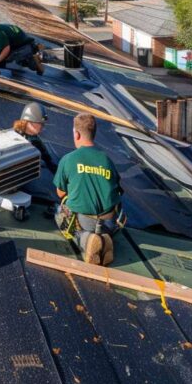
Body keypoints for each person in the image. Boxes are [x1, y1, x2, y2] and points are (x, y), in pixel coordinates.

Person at [53, 113, 123, 266]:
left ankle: (86, 239)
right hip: (110, 221)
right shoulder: (107, 160)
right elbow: (117, 189)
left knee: (59, 212)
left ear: (76, 134)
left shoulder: (69, 159)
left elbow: (60, 193)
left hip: (85, 221)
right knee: (105, 223)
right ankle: (105, 238)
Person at [13, 102, 56, 174]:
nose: (42, 126)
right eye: (40, 123)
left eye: (43, 123)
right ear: (29, 122)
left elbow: (48, 161)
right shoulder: (14, 136)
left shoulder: (36, 142)